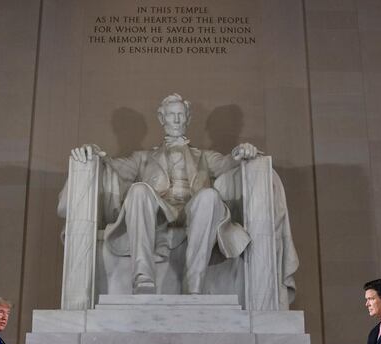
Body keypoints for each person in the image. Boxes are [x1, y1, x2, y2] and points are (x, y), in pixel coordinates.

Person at [68, 93, 298, 296]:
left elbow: (230, 163)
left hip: (195, 212)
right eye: (171, 115)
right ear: (161, 119)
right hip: (157, 214)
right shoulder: (143, 158)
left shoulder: (205, 157)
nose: (176, 120)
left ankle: (194, 282)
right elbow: (113, 165)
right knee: (138, 190)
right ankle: (143, 277)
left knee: (209, 196)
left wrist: (243, 152)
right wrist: (93, 153)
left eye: (180, 115)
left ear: (187, 119)